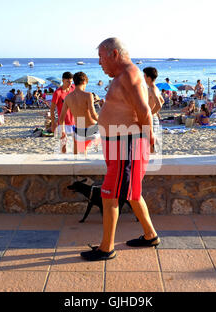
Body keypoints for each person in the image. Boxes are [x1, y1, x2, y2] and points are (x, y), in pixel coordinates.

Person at [80, 38, 159, 262]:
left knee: (109, 194)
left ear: (114, 54)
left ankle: (106, 248)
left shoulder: (129, 75)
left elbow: (144, 110)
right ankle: (150, 235)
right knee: (132, 193)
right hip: (121, 144)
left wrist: (149, 137)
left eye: (101, 58)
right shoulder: (123, 76)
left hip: (127, 144)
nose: (99, 63)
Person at [59, 72, 99, 156]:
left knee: (80, 154)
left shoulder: (68, 98)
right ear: (84, 82)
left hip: (79, 130)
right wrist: (105, 121)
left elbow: (61, 117)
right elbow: (93, 115)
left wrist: (63, 130)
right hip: (92, 129)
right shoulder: (88, 95)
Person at [51, 72, 75, 153]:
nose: (70, 83)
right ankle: (63, 162)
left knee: (77, 145)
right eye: (68, 81)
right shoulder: (58, 93)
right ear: (63, 80)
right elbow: (52, 109)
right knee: (63, 145)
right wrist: (53, 123)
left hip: (75, 122)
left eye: (71, 81)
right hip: (63, 123)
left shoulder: (73, 88)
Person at [143, 67, 164, 153]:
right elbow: (162, 101)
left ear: (148, 77)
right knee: (149, 142)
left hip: (151, 119)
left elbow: (159, 104)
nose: (143, 77)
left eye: (144, 75)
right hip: (152, 118)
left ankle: (151, 161)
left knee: (150, 142)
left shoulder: (152, 89)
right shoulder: (154, 88)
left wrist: (150, 114)